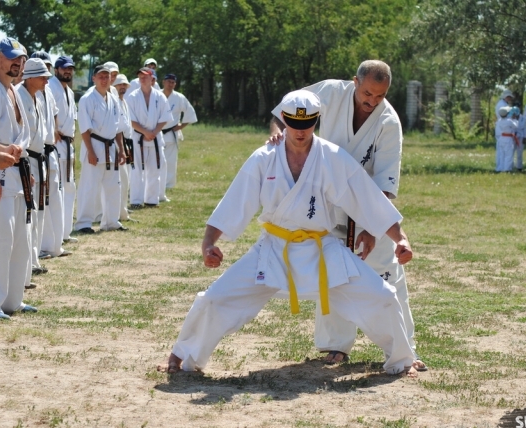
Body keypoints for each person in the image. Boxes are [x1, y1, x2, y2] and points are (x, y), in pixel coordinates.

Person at [157, 90, 420, 377]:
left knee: (382, 296)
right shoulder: (264, 157)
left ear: (317, 121)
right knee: (215, 298)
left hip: (322, 249)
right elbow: (235, 201)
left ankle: (402, 359)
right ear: (284, 119)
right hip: (274, 248)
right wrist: (209, 243)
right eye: (294, 123)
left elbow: (367, 198)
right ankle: (182, 355)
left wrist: (400, 238)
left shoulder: (332, 158)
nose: (300, 131)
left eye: (307, 124)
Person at [269, 60, 425, 370]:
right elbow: (282, 111)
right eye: (367, 93)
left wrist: (372, 228)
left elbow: (385, 185)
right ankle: (335, 345)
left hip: (369, 206)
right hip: (326, 202)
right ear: (355, 82)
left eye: (380, 96)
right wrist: (278, 133)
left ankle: (404, 349)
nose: (372, 101)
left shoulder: (388, 122)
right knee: (330, 271)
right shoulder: (330, 92)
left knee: (388, 275)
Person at [0, 37, 38, 320]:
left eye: (21, 59)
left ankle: (13, 300)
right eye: (12, 58)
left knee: (20, 240)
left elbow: (24, 137)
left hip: (18, 173)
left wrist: (26, 169)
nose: (18, 63)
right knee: (1, 240)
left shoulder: (13, 90)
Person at [73, 64, 127, 233]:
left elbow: (118, 128)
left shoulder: (113, 99)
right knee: (89, 187)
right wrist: (90, 151)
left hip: (111, 147)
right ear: (94, 78)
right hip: (94, 146)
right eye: (101, 77)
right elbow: (84, 128)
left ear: (111, 79)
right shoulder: (87, 99)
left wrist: (121, 150)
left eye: (107, 77)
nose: (104, 80)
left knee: (113, 186)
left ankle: (111, 221)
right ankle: (83, 223)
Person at [30, 51, 70, 260]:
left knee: (54, 198)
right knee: (38, 203)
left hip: (50, 151)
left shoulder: (48, 91)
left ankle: (55, 245)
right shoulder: (27, 91)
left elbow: (54, 114)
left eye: (47, 66)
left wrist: (54, 132)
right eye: (41, 66)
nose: (44, 71)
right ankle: (40, 248)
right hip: (35, 153)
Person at [17, 58, 51, 281]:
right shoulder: (19, 95)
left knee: (38, 213)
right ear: (30, 77)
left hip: (39, 159)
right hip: (25, 161)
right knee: (27, 215)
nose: (46, 81)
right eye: (42, 77)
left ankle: (33, 260)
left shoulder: (36, 97)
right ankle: (25, 266)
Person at [126, 67, 172, 208]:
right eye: (140, 76)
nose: (142, 78)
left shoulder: (160, 96)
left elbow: (165, 116)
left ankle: (151, 199)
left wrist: (154, 132)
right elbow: (130, 119)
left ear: (152, 78)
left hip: (155, 137)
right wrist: (145, 132)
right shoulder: (132, 96)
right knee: (136, 170)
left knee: (154, 169)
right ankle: (136, 200)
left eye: (145, 76)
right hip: (138, 137)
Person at [48, 56, 78, 244]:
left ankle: (65, 232)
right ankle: (55, 236)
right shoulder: (51, 86)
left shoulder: (69, 91)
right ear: (56, 69)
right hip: (56, 143)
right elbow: (47, 110)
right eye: (64, 68)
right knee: (57, 190)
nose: (67, 71)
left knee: (69, 187)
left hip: (68, 144)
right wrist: (53, 129)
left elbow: (72, 116)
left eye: (70, 69)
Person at [161, 73, 197, 193]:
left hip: (171, 132)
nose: (170, 84)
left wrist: (182, 126)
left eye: (173, 82)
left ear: (175, 84)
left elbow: (190, 111)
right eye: (168, 81)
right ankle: (156, 182)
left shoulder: (179, 97)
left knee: (170, 160)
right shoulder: (156, 95)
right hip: (156, 132)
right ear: (163, 82)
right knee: (155, 160)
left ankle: (168, 184)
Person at [113, 73, 136, 222]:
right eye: (119, 84)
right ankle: (118, 213)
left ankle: (123, 211)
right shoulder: (114, 102)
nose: (122, 87)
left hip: (127, 143)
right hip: (117, 143)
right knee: (120, 180)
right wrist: (121, 149)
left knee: (126, 180)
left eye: (124, 85)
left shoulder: (124, 102)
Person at [495, 106, 517, 172]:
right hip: (508, 138)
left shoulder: (499, 121)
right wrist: (514, 119)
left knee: (502, 154)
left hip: (501, 138)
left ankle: (500, 168)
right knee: (508, 154)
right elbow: (515, 126)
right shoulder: (509, 121)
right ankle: (507, 168)